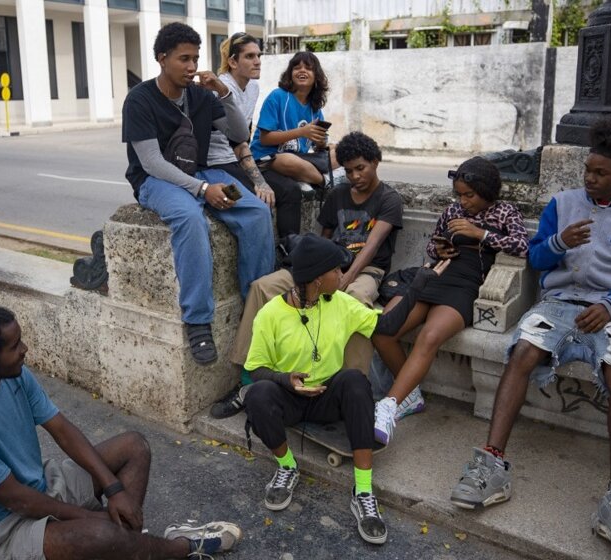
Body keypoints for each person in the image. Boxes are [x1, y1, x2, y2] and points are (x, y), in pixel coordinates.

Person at [446, 120, 611, 551]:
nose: (590, 178)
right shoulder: (563, 204)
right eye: (588, 169)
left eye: (601, 173)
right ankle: (490, 465)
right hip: (559, 304)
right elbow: (536, 257)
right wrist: (560, 243)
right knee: (524, 349)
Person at [0, 296, 242, 560]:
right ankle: (180, 547)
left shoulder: (13, 377)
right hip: (2, 531)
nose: (24, 349)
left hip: (43, 487)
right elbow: (17, 500)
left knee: (133, 446)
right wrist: (95, 518)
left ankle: (129, 545)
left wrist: (114, 490)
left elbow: (62, 429)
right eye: (14, 346)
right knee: (103, 533)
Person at [242, 234, 447, 545]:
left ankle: (363, 491)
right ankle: (287, 466)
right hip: (290, 398)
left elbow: (387, 327)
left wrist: (416, 287)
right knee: (258, 395)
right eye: (336, 271)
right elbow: (256, 369)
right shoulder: (271, 313)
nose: (342, 275)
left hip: (327, 396)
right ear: (316, 278)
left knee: (354, 380)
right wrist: (286, 380)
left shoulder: (340, 303)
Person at [213, 131, 403, 419]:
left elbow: (372, 246)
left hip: (365, 270)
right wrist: (304, 270)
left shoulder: (389, 199)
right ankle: (248, 381)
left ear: (376, 162)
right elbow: (318, 240)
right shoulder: (338, 194)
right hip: (321, 267)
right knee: (263, 287)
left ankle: (351, 392)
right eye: (348, 170)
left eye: (361, 168)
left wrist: (344, 279)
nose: (354, 176)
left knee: (355, 301)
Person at [122, 22, 275, 365]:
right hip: (155, 179)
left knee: (256, 212)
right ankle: (198, 321)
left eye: (195, 58)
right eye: (184, 59)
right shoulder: (140, 100)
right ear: (162, 59)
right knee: (191, 219)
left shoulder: (201, 96)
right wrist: (203, 190)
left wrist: (222, 92)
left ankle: (257, 306)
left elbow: (238, 134)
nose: (192, 67)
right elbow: (150, 162)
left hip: (203, 171)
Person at [372, 157, 529, 444]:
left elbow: (522, 246)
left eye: (469, 195)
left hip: (466, 285)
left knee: (429, 336)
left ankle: (389, 404)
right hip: (434, 275)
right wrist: (441, 247)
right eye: (459, 194)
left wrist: (479, 233)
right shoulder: (452, 211)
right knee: (383, 330)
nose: (463, 201)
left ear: (486, 190)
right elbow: (432, 244)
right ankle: (410, 397)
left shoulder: (504, 212)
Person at [206, 33, 302, 238]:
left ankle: (290, 248)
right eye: (250, 56)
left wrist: (259, 179)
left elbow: (243, 141)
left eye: (259, 55)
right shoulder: (219, 89)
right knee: (260, 201)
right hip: (217, 164)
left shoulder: (253, 88)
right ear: (232, 61)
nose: (258, 61)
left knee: (291, 190)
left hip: (239, 160)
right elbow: (236, 142)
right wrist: (259, 182)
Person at [248, 51, 339, 191]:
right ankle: (324, 181)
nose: (302, 70)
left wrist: (321, 142)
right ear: (290, 74)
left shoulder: (315, 107)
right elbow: (265, 139)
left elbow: (317, 147)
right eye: (297, 68)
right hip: (268, 158)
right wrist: (302, 132)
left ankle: (306, 176)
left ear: (317, 76)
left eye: (308, 68)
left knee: (342, 152)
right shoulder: (277, 96)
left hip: (300, 158)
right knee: (289, 161)